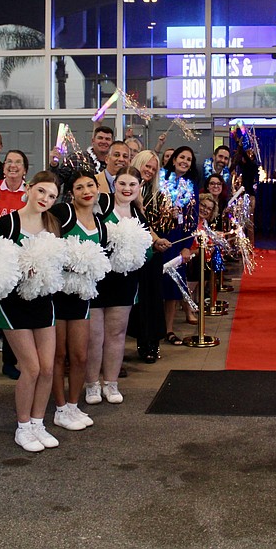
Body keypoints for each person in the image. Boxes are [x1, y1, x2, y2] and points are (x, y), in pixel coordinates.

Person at [0, 171, 63, 453]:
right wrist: (22, 269)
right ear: (29, 188)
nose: (45, 199)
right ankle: (22, 427)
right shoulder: (7, 223)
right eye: (41, 191)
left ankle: (37, 423)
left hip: (43, 301)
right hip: (13, 303)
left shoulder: (53, 224)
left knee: (47, 367)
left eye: (52, 196)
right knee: (31, 368)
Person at [85, 167, 152, 405]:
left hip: (125, 282)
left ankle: (111, 383)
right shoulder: (101, 206)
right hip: (97, 280)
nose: (127, 189)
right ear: (114, 184)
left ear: (139, 187)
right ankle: (92, 384)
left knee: (117, 333)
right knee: (94, 336)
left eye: (132, 184)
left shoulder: (139, 215)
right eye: (122, 183)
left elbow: (146, 250)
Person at [50, 172, 109, 431]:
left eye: (90, 186)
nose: (86, 191)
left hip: (81, 296)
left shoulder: (100, 224)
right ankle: (60, 408)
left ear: (97, 188)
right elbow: (47, 245)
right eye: (79, 187)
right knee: (58, 355)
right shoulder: (62, 213)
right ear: (71, 193)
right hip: (57, 294)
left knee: (80, 355)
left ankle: (73, 406)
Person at [0, 149, 30, 359]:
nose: (12, 166)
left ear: (25, 169)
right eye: (9, 161)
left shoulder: (29, 193)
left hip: (21, 253)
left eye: (18, 162)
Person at [129, 150, 173, 362]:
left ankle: (152, 343)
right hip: (131, 253)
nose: (150, 171)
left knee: (152, 299)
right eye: (147, 166)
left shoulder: (159, 196)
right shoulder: (127, 190)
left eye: (154, 169)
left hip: (153, 253)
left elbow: (163, 225)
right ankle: (140, 340)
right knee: (136, 301)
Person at [161, 146, 199, 343]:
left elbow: (193, 220)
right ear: (174, 159)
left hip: (178, 240)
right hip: (159, 237)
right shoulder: (160, 180)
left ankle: (169, 329)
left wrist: (187, 246)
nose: (185, 161)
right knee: (156, 285)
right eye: (182, 157)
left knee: (173, 286)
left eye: (189, 159)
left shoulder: (191, 187)